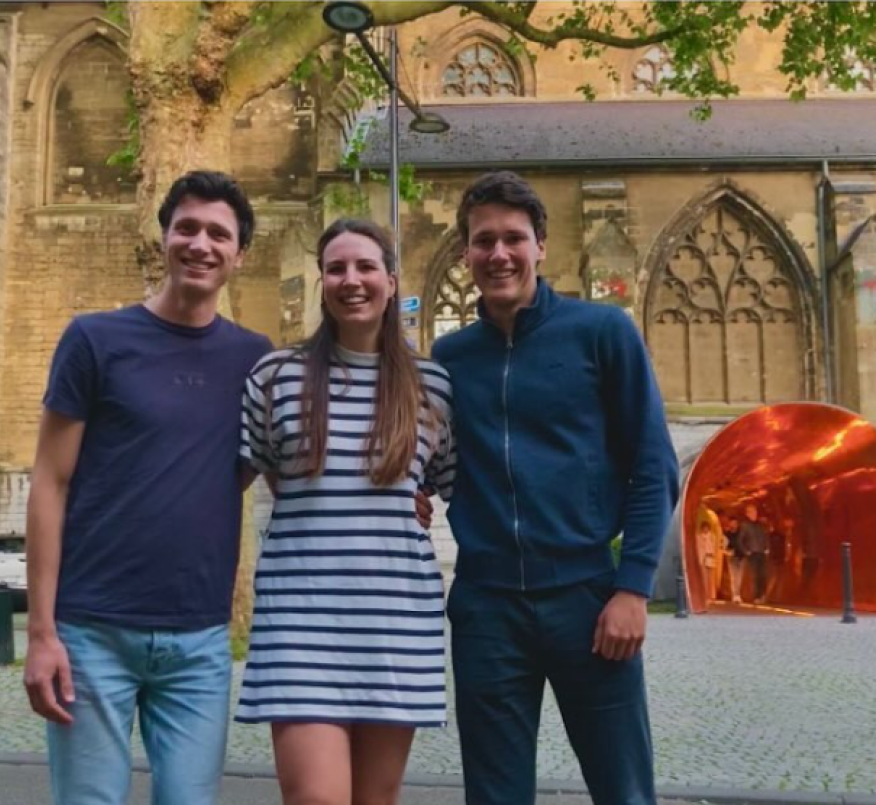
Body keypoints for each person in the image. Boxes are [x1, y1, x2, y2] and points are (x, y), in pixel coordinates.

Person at [22, 170, 272, 805]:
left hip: (199, 638)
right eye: (187, 228)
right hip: (92, 632)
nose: (201, 244)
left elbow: (260, 464)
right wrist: (42, 633)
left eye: (219, 234)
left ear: (240, 254)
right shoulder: (95, 340)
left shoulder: (256, 359)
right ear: (164, 237)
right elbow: (49, 481)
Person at [431, 172, 679, 805]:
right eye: (483, 240)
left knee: (623, 790)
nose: (499, 254)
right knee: (495, 796)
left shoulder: (602, 332)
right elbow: (432, 459)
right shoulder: (450, 357)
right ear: (465, 252)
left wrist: (632, 588)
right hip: (487, 607)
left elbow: (653, 466)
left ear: (540, 245)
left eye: (513, 238)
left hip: (588, 600)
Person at [237, 219, 456, 805]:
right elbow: (255, 473)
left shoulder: (433, 386)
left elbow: (445, 484)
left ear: (391, 281)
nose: (351, 280)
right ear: (322, 282)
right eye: (336, 268)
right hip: (300, 620)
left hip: (395, 621)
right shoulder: (276, 376)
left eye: (365, 267)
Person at [738, 502, 770, 604]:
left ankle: (762, 595)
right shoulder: (745, 525)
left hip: (761, 552)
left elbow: (765, 537)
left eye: (755, 511)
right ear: (747, 514)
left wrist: (767, 548)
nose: (754, 514)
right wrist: (746, 551)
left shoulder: (760, 525)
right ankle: (756, 596)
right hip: (752, 553)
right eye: (752, 512)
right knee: (755, 575)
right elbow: (740, 540)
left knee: (763, 574)